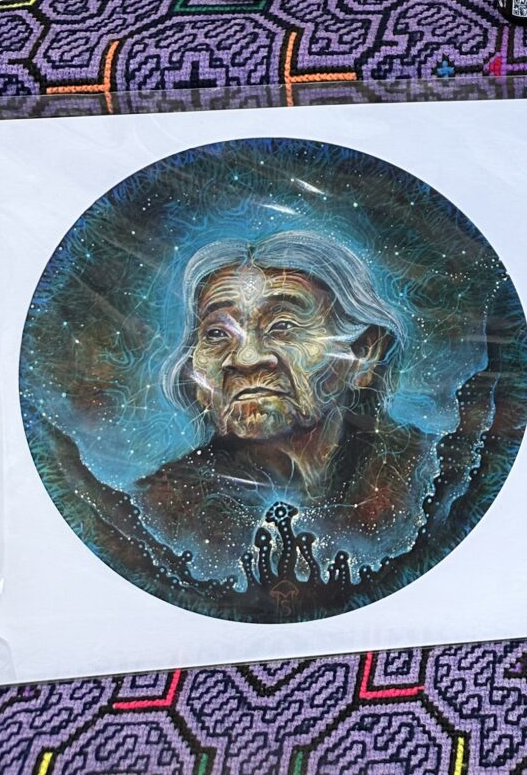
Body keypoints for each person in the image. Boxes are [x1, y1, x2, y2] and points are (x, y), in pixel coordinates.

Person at [136, 231, 436, 571]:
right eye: (216, 333)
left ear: (364, 354)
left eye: (283, 325)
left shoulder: (426, 476)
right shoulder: (161, 508)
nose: (246, 358)